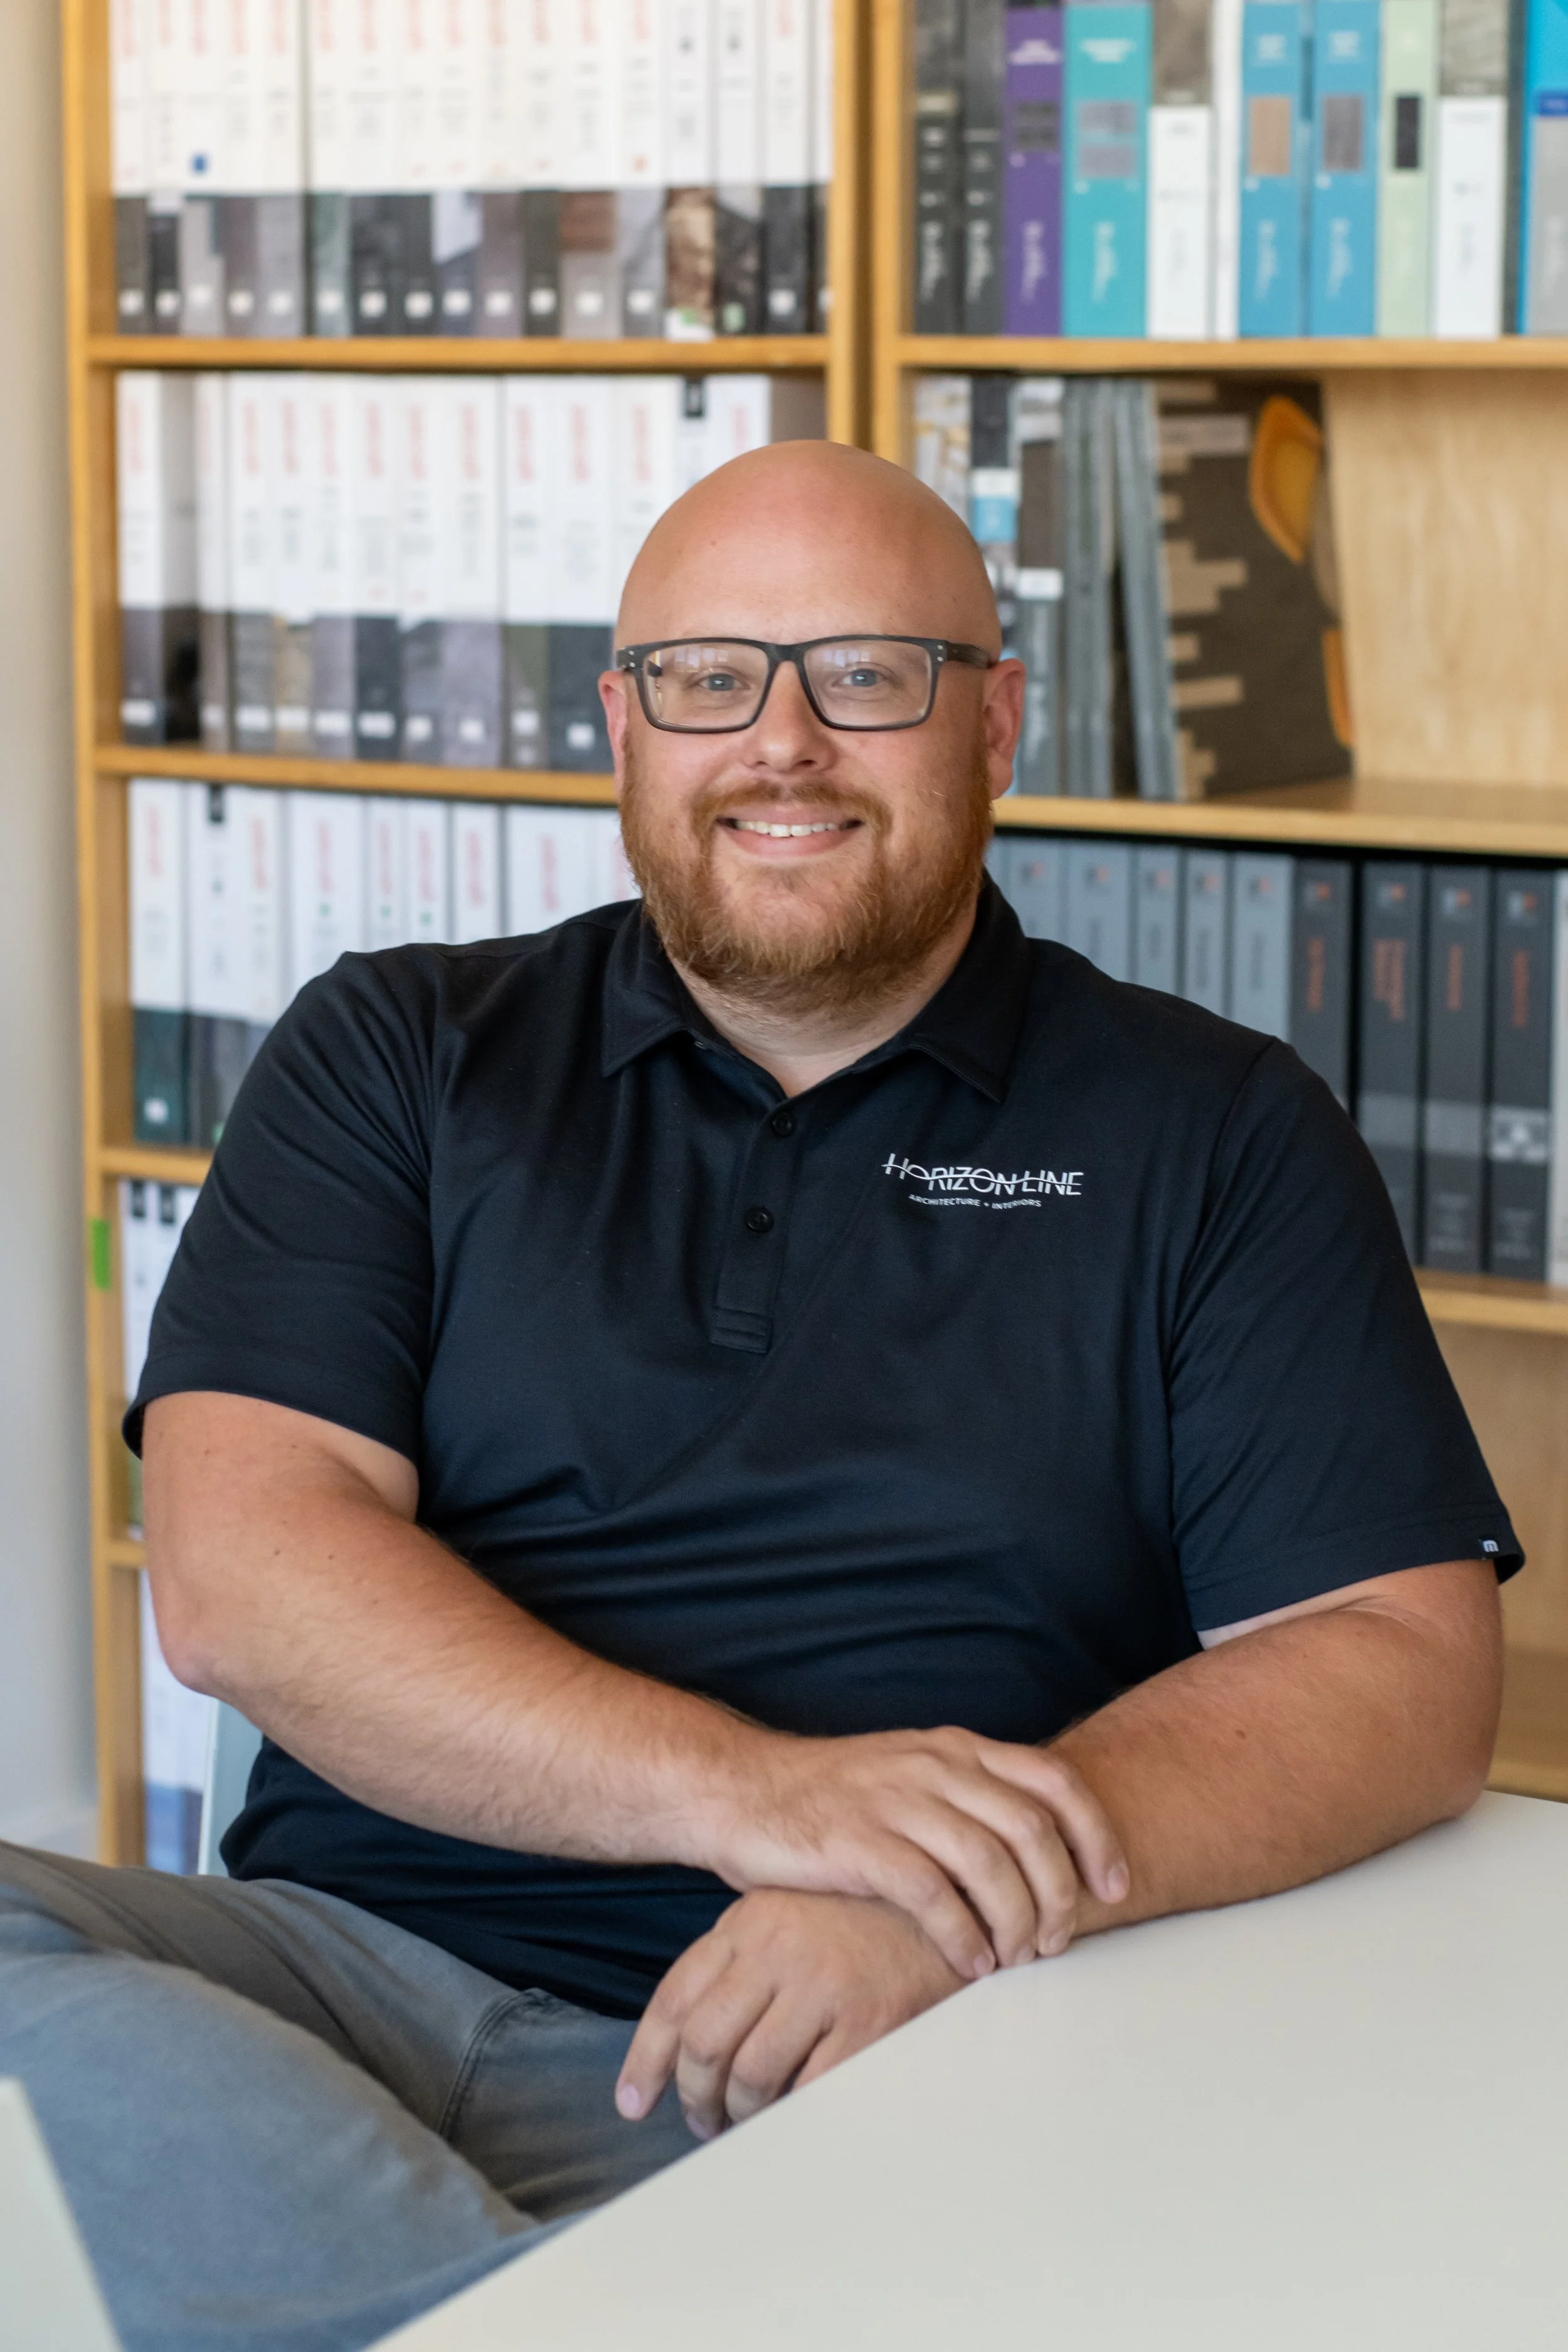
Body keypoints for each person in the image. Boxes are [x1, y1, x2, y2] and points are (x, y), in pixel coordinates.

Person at [1, 442, 1516, 2352]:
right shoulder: (398, 1051)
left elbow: (1394, 1656)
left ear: (995, 725)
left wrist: (937, 1899)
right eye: (708, 677)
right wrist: (772, 1797)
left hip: (860, 2036)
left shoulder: (1217, 1130)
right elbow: (238, 1575)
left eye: (866, 674)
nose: (779, 743)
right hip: (322, 1988)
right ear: (622, 730)